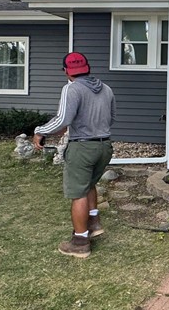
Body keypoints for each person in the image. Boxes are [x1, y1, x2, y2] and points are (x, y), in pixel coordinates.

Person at [33, 52, 115, 258]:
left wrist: (40, 131)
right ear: (88, 68)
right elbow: (111, 118)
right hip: (105, 146)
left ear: (66, 72)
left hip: (83, 147)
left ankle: (80, 241)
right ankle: (94, 222)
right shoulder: (106, 89)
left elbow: (63, 119)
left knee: (78, 192)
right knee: (88, 184)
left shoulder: (71, 88)